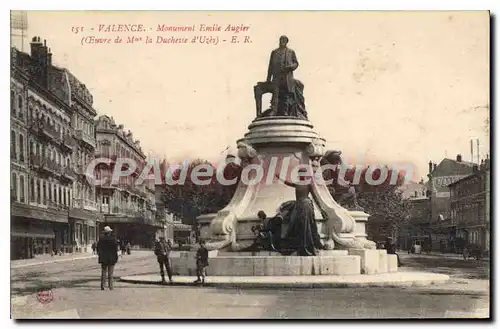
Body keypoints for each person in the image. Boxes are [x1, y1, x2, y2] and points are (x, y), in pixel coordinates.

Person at [275, 169, 323, 255]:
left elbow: (315, 197)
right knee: (296, 225)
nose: (301, 175)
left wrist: (321, 209)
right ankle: (299, 245)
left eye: (303, 173)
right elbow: (288, 183)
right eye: (300, 173)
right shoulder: (297, 183)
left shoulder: (309, 183)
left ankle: (308, 246)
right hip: (298, 206)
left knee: (306, 226)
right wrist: (280, 178)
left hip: (306, 206)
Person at [254, 35, 299, 116]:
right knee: (275, 91)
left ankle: (285, 111)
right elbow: (270, 66)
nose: (282, 41)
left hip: (286, 77)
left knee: (285, 92)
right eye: (281, 40)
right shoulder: (274, 52)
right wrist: (268, 79)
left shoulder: (290, 52)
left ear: (286, 42)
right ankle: (273, 110)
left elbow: (296, 63)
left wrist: (290, 67)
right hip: (276, 77)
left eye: (284, 40)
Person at [97, 226, 119, 291]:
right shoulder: (113, 239)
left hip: (104, 258)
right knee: (110, 274)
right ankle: (111, 286)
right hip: (112, 258)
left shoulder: (101, 239)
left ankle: (103, 286)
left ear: (104, 233)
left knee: (103, 273)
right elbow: (116, 249)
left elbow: (98, 248)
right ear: (109, 232)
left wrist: (100, 255)